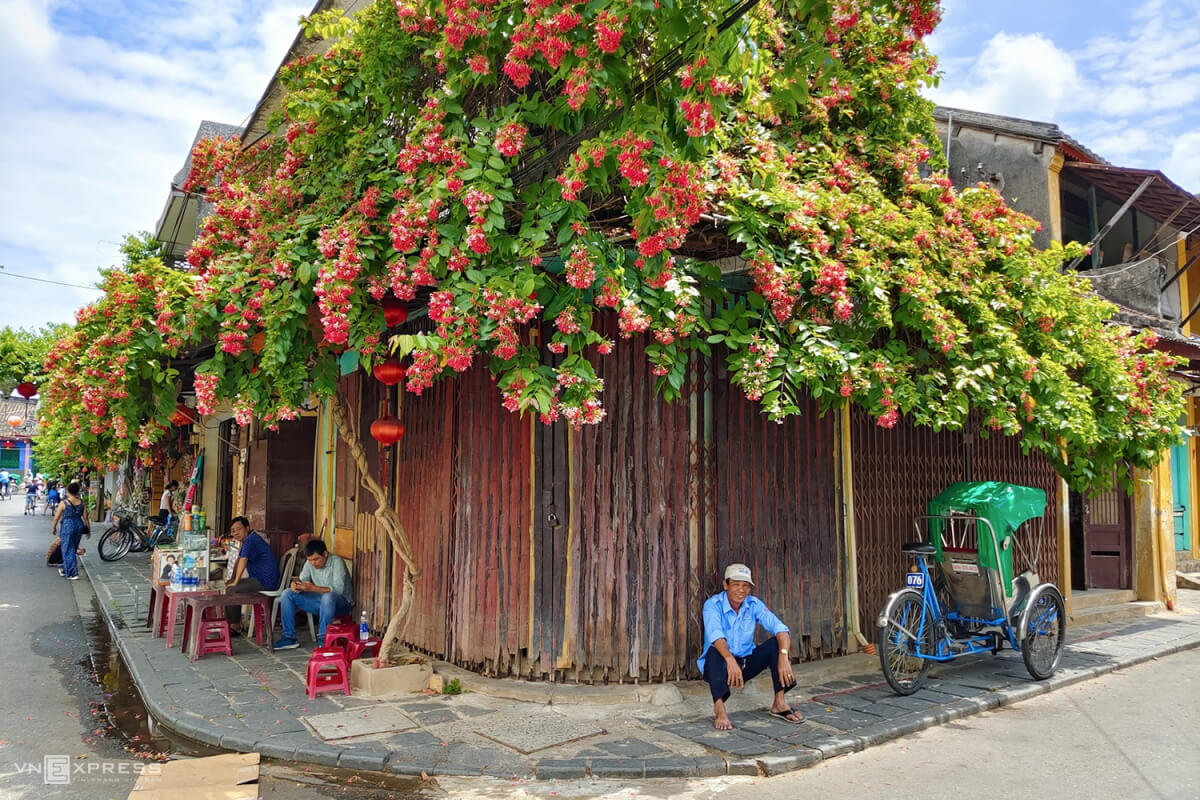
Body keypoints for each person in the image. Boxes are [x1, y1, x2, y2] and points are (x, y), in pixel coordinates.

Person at [698, 563, 801, 731]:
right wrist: (730, 660)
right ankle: (719, 709)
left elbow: (780, 628)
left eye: (745, 586)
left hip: (744, 664)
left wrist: (783, 656)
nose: (741, 590)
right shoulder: (712, 605)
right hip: (719, 666)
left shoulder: (753, 604)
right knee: (714, 651)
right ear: (726, 585)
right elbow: (715, 635)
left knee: (776, 643)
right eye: (736, 584)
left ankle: (779, 703)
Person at [274, 540, 353, 650]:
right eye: (310, 560)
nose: (313, 563)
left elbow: (338, 590)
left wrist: (313, 588)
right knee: (287, 594)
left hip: (341, 605)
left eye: (316, 559)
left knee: (328, 597)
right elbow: (302, 580)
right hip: (322, 602)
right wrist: (296, 586)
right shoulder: (309, 563)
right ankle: (289, 638)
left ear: (325, 554)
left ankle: (324, 639)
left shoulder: (336, 562)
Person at [224, 516, 279, 635]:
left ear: (247, 528)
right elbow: (238, 561)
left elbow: (243, 561)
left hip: (265, 581)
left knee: (233, 590)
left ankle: (235, 625)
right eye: (233, 531)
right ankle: (231, 624)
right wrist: (232, 579)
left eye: (239, 529)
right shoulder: (247, 541)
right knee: (229, 587)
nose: (235, 533)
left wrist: (235, 581)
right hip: (258, 579)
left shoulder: (251, 540)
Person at [51, 482, 89, 581]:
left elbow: (56, 517)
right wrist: (87, 529)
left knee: (67, 549)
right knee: (73, 548)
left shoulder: (64, 503)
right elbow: (85, 518)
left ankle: (72, 573)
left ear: (68, 491)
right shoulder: (82, 503)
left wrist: (54, 527)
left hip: (68, 526)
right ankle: (64, 568)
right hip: (79, 525)